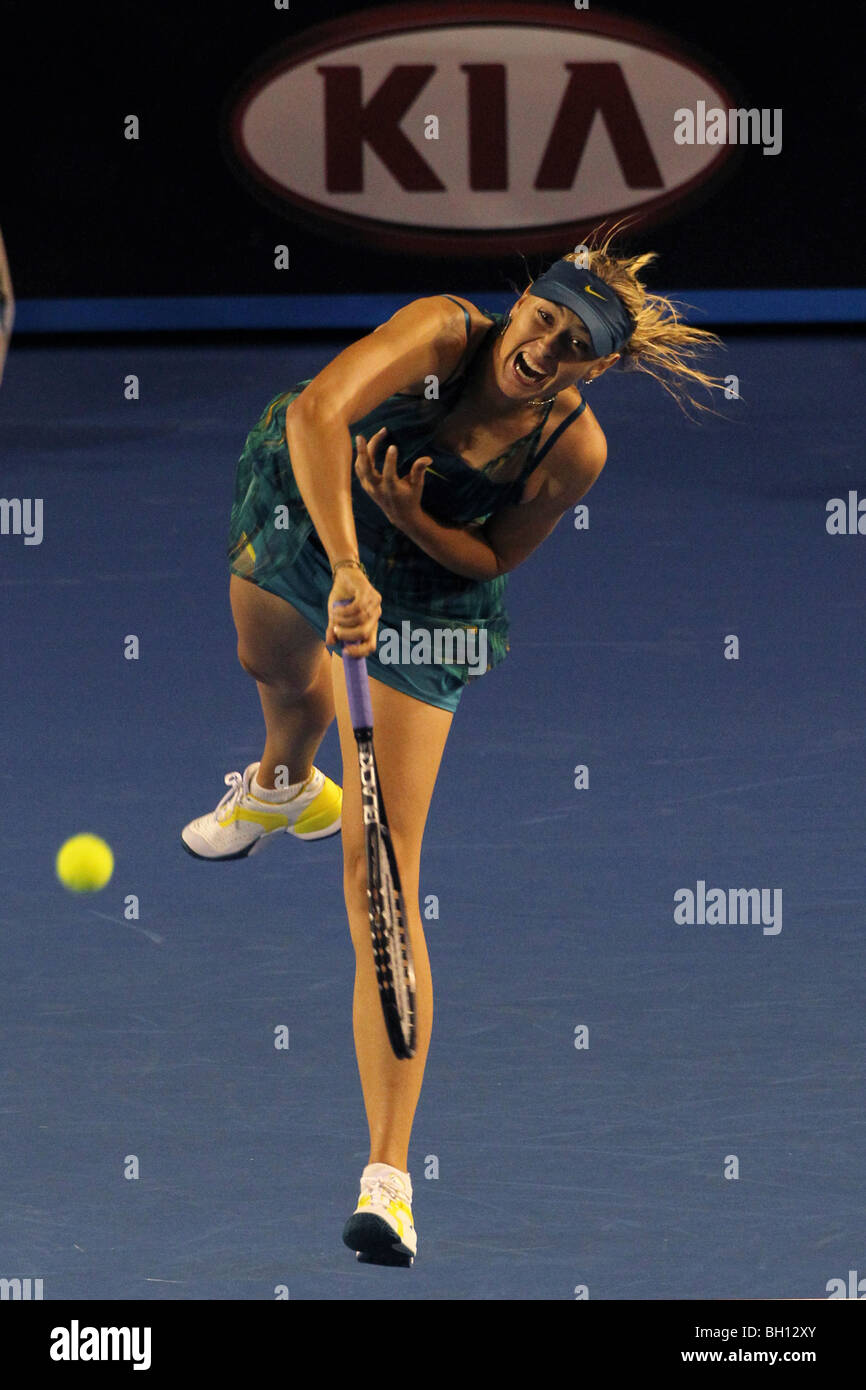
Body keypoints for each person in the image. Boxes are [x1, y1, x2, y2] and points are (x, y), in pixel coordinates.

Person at [182, 227, 725, 1266]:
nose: (543, 349)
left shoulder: (573, 449)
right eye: (541, 320)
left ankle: (387, 1182)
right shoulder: (441, 331)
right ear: (519, 301)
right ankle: (284, 783)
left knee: (379, 873)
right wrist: (349, 558)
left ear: (597, 367)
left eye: (572, 347)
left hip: (428, 601)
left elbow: (490, 555)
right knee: (276, 676)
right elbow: (317, 412)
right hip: (314, 511)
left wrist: (409, 524)